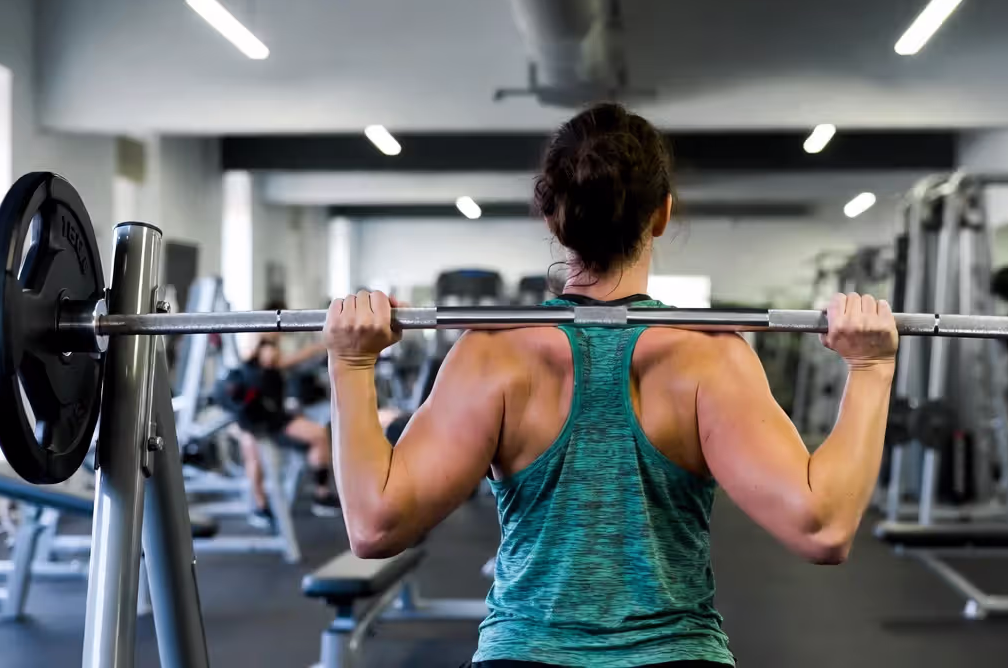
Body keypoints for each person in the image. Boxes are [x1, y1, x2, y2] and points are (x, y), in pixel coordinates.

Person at [323, 103, 899, 668]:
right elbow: (823, 527)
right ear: (662, 215)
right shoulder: (710, 359)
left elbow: (375, 525)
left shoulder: (491, 356)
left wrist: (352, 364)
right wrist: (870, 368)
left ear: (552, 217)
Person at [220, 337, 340, 522]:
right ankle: (261, 506)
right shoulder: (245, 373)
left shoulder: (276, 370)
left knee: (318, 434)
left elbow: (299, 358)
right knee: (252, 453)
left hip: (277, 422)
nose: (272, 354)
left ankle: (321, 495)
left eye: (274, 351)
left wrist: (323, 345)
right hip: (252, 426)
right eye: (268, 350)